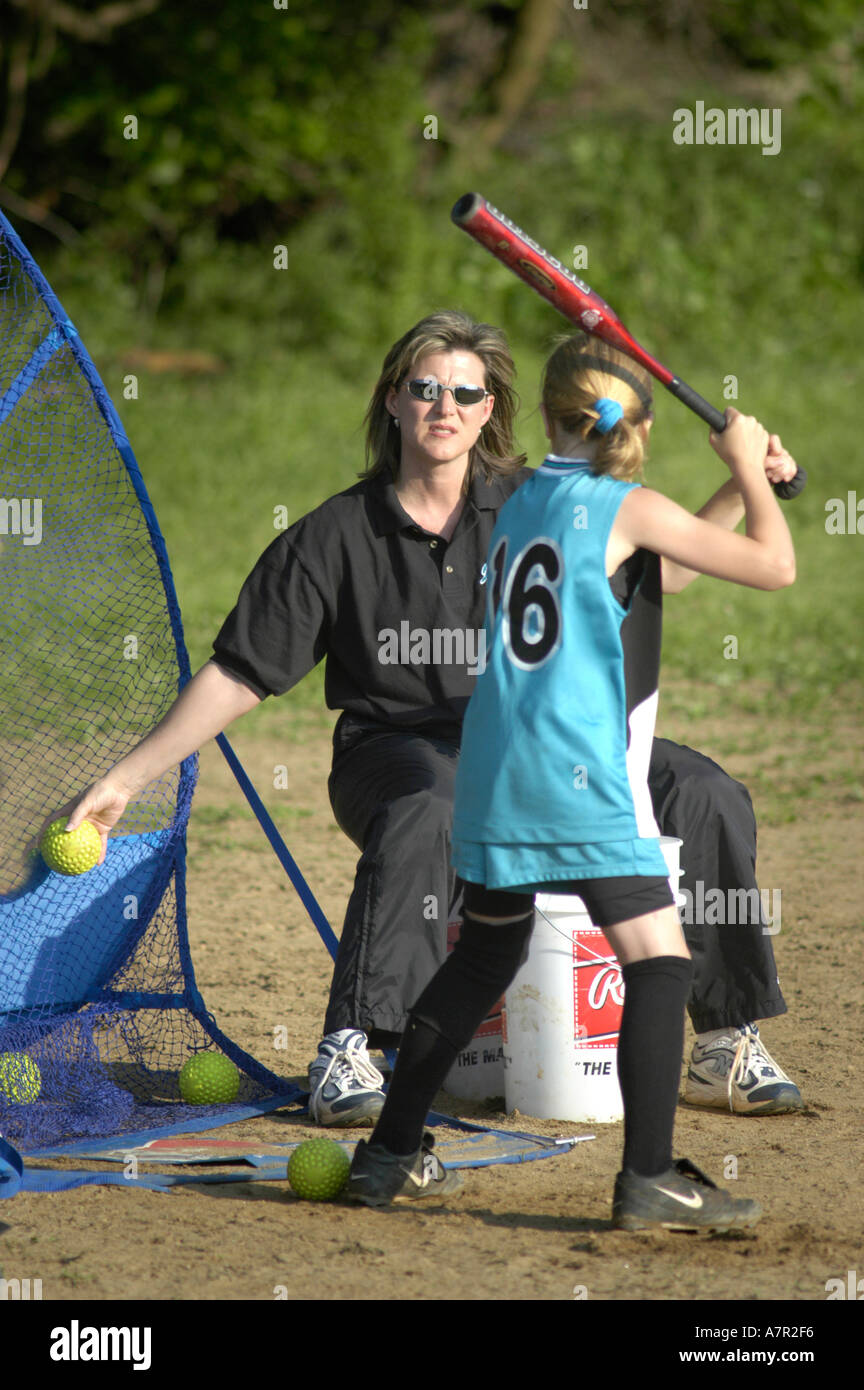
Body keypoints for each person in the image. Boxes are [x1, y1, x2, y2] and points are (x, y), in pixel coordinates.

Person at [63, 311, 801, 1130]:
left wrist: (744, 483)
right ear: (391, 402)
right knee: (428, 804)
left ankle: (724, 1038)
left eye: (465, 393)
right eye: (424, 389)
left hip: (542, 741)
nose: (443, 407)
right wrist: (129, 777)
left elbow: (666, 567)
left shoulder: (540, 501)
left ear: (490, 411)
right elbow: (242, 673)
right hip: (397, 748)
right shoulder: (334, 536)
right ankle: (353, 1047)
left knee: (701, 789)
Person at [346, 334, 795, 1229]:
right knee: (660, 960)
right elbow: (772, 566)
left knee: (483, 956)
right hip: (580, 780)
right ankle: (650, 1178)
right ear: (638, 425)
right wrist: (750, 470)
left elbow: (651, 563)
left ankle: (389, 1155)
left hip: (495, 775)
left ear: (547, 416)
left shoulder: (519, 505)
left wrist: (743, 490)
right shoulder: (624, 504)